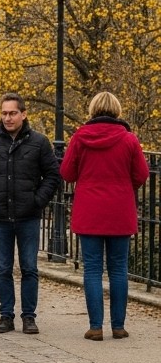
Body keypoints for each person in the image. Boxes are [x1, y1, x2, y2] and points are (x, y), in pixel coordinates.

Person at [60, 92, 148, 341]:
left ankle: (96, 326)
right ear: (117, 111)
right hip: (120, 210)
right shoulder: (129, 140)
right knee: (119, 269)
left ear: (93, 110)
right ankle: (118, 326)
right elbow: (141, 175)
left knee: (92, 269)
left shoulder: (80, 138)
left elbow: (67, 173)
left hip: (89, 210)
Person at [0, 92, 60, 335]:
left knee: (29, 267)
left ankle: (29, 316)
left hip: (28, 215)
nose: (8, 118)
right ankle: (5, 315)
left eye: (12, 113)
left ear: (23, 114)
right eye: (4, 113)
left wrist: (37, 200)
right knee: (3, 268)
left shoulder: (39, 142)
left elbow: (52, 175)